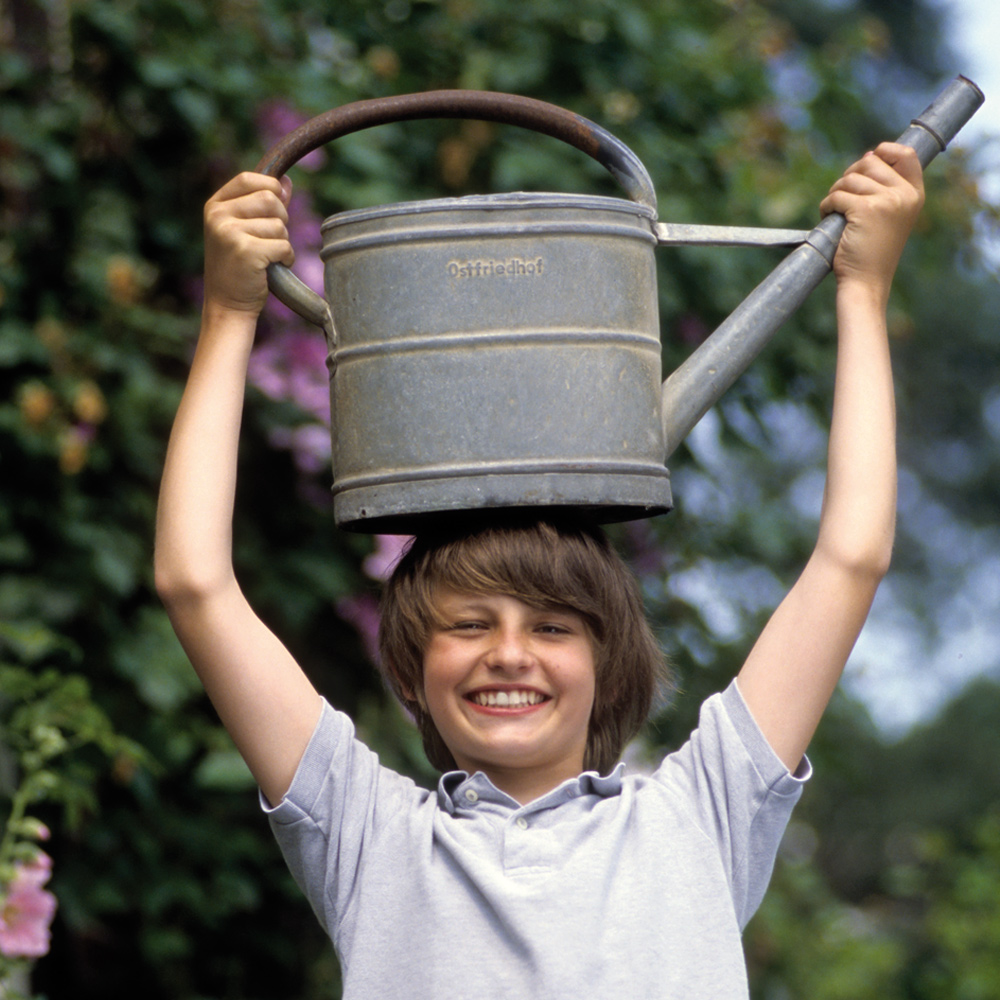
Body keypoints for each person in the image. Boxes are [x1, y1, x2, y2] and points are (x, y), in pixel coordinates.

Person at [154, 141, 924, 998]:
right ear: (412, 668)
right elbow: (196, 584)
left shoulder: (702, 814)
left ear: (609, 663)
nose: (509, 654)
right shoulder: (366, 833)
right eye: (468, 624)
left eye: (552, 626)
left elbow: (851, 558)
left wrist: (864, 291)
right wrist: (229, 312)